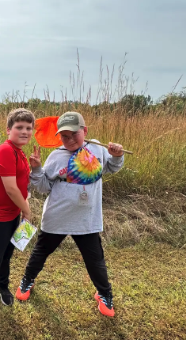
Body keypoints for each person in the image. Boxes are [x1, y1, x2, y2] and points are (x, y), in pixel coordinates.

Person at [15, 111, 124, 317]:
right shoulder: (56, 155)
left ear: (85, 131)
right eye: (64, 136)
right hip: (57, 216)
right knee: (41, 252)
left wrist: (118, 155)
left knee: (95, 259)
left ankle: (104, 294)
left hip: (87, 218)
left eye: (74, 134)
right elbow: (44, 186)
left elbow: (110, 168)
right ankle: (27, 281)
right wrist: (37, 170)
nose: (69, 139)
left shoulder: (97, 149)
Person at [0, 108, 35, 325]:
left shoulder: (19, 151)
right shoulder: (5, 150)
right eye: (19, 127)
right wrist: (27, 211)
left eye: (29, 128)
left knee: (7, 254)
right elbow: (10, 188)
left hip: (13, 212)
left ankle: (2, 286)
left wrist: (23, 209)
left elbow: (22, 186)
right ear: (8, 130)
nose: (24, 131)